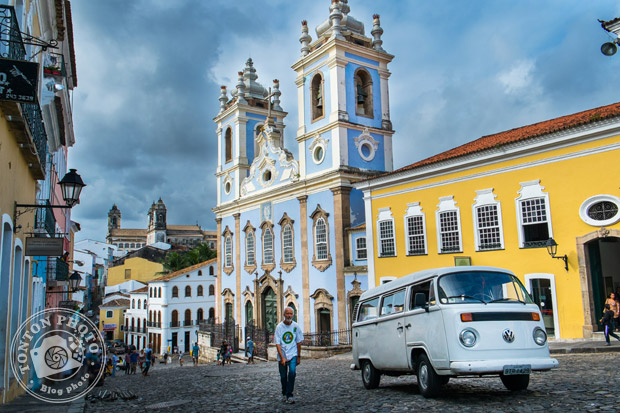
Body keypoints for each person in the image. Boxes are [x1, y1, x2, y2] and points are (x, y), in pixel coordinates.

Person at [275, 307, 304, 404]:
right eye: (287, 313)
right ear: (284, 314)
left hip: (293, 354)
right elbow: (277, 343)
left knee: (292, 374)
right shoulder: (279, 327)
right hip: (282, 354)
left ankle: (289, 394)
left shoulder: (296, 326)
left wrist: (299, 357)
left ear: (293, 315)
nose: (289, 315)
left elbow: (299, 342)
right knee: (283, 376)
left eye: (291, 314)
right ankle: (284, 393)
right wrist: (282, 357)